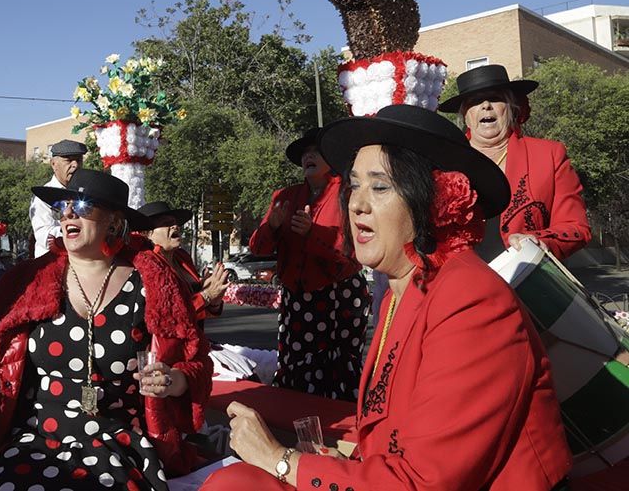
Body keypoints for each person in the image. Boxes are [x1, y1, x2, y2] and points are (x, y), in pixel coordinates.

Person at [204, 105, 571, 491]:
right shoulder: (406, 288)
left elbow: (424, 482)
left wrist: (280, 460)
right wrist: (332, 460)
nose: (356, 203)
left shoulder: (470, 299)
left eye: (379, 187)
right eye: (354, 185)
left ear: (435, 201)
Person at [0, 169, 212, 489]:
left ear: (114, 222)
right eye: (63, 205)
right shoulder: (29, 278)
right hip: (34, 439)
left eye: (84, 205)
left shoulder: (153, 281)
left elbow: (196, 359)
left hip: (117, 441)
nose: (69, 213)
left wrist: (174, 381)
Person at [247, 127, 367, 400]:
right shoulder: (284, 196)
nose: (308, 157)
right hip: (297, 297)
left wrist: (313, 234)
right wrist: (273, 227)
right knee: (297, 366)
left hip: (339, 295)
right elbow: (257, 247)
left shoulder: (348, 194)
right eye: (305, 154)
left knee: (334, 368)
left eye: (316, 152)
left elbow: (354, 250)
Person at [438, 63, 590, 262]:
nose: (486, 106)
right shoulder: (442, 163)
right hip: (462, 282)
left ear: (511, 108)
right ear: (465, 115)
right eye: (475, 102)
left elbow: (577, 227)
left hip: (525, 282)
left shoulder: (549, 154)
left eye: (495, 98)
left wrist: (537, 241)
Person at [139, 201, 228, 326]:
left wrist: (214, 301)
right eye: (166, 223)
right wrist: (206, 296)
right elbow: (168, 317)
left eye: (175, 222)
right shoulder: (146, 265)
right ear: (147, 234)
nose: (175, 226)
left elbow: (197, 314)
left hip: (194, 341)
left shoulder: (182, 257)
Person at [29, 139, 87, 257]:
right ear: (53, 164)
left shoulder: (87, 192)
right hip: (52, 263)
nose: (75, 165)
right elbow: (43, 235)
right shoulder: (43, 196)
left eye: (79, 160)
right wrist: (77, 231)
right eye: (69, 160)